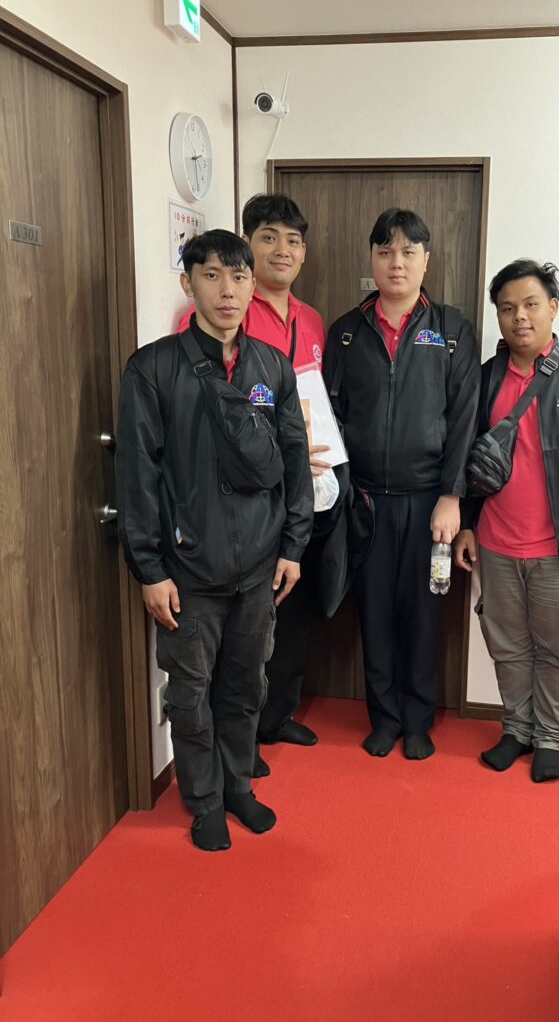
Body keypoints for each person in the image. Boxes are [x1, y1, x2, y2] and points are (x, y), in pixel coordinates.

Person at [117, 229, 313, 850]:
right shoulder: (153, 368)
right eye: (212, 276)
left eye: (238, 277)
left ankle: (238, 787)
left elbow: (295, 459)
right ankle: (203, 800)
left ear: (252, 287)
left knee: (246, 683)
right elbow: (137, 475)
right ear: (189, 283)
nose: (227, 291)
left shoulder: (272, 367)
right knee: (190, 692)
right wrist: (149, 569)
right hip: (188, 568)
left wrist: (293, 547)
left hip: (259, 564)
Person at [324, 208, 481, 760]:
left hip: (429, 504)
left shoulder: (452, 331)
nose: (397, 262)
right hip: (365, 502)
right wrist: (340, 493)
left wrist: (451, 497)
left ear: (426, 260)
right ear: (372, 258)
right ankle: (384, 718)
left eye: (408, 252)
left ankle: (418, 719)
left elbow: (465, 419)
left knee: (422, 614)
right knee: (374, 613)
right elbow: (332, 416)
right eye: (386, 251)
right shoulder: (346, 332)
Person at [179, 195, 328, 773]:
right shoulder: (216, 319)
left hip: (294, 494)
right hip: (219, 517)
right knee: (223, 645)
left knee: (285, 618)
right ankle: (227, 757)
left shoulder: (310, 321)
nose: (282, 250)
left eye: (293, 240)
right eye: (269, 237)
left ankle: (271, 720)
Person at [454, 259, 559, 782]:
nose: (519, 317)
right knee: (507, 645)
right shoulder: (484, 379)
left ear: (553, 307)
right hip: (497, 543)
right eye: (507, 309)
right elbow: (469, 461)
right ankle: (517, 728)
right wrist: (467, 523)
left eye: (530, 305)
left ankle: (550, 736)